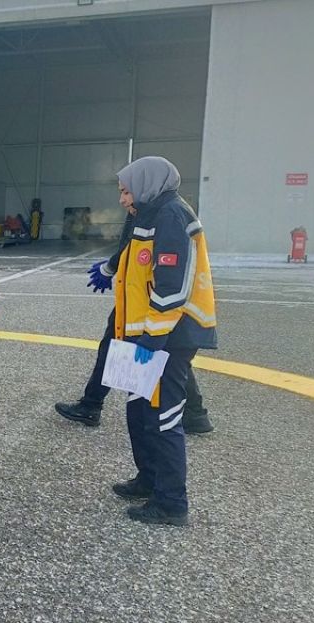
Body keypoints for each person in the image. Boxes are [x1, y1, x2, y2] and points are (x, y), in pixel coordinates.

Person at [108, 156, 217, 526]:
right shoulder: (150, 213)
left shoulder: (171, 215)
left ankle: (171, 503)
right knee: (138, 410)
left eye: (126, 191)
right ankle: (149, 479)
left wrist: (151, 340)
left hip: (166, 336)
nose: (123, 199)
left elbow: (173, 286)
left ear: (145, 184)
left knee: (164, 417)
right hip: (142, 333)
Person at [54, 207, 214, 434]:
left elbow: (131, 246)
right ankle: (195, 414)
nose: (122, 199)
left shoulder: (161, 212)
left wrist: (109, 268)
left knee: (118, 346)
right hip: (142, 292)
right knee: (165, 355)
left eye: (126, 191)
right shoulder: (158, 208)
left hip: (146, 296)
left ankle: (92, 404)